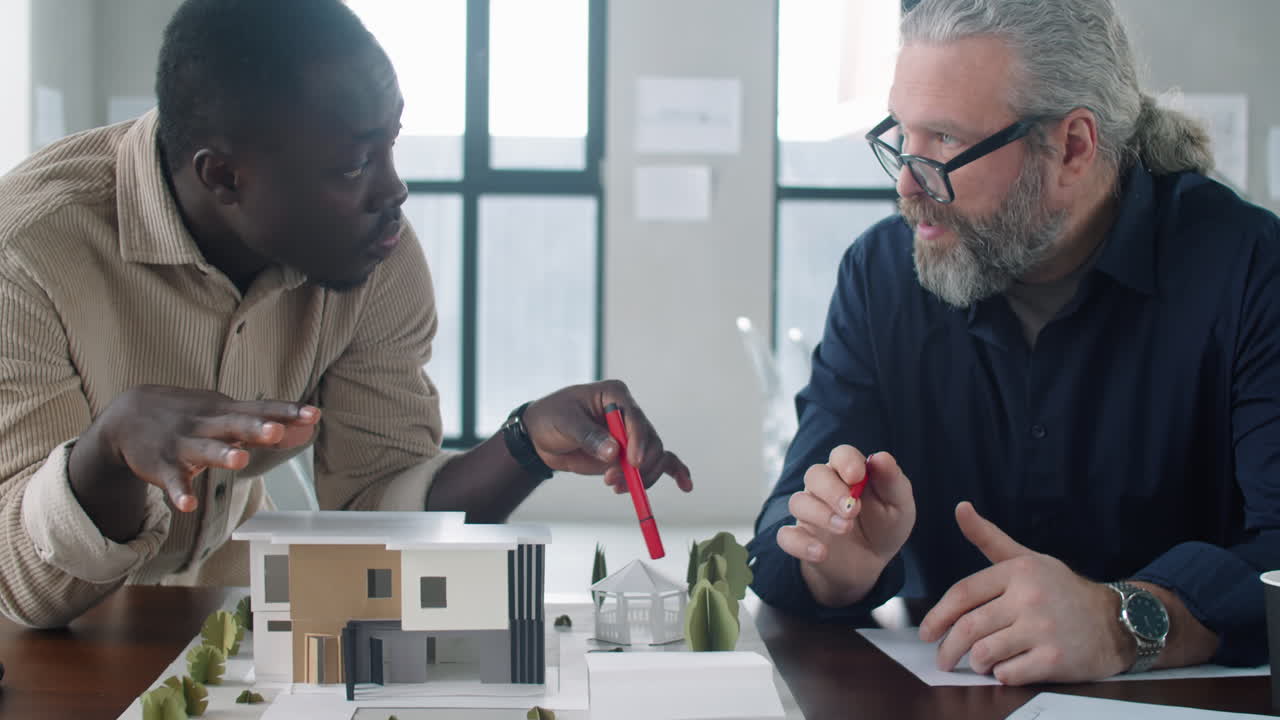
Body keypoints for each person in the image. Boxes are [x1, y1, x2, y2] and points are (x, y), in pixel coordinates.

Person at [0, 0, 691, 629]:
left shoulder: (375, 255)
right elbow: (26, 587)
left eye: (391, 143)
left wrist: (523, 445)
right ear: (224, 176)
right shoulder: (25, 256)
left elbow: (374, 509)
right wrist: (109, 452)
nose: (394, 188)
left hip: (220, 615)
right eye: (354, 164)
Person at [748, 0, 1280, 685]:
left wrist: (1129, 619)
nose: (907, 183)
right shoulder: (881, 277)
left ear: (1073, 147)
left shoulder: (1248, 270)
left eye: (941, 140)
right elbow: (780, 543)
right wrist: (837, 571)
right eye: (901, 136)